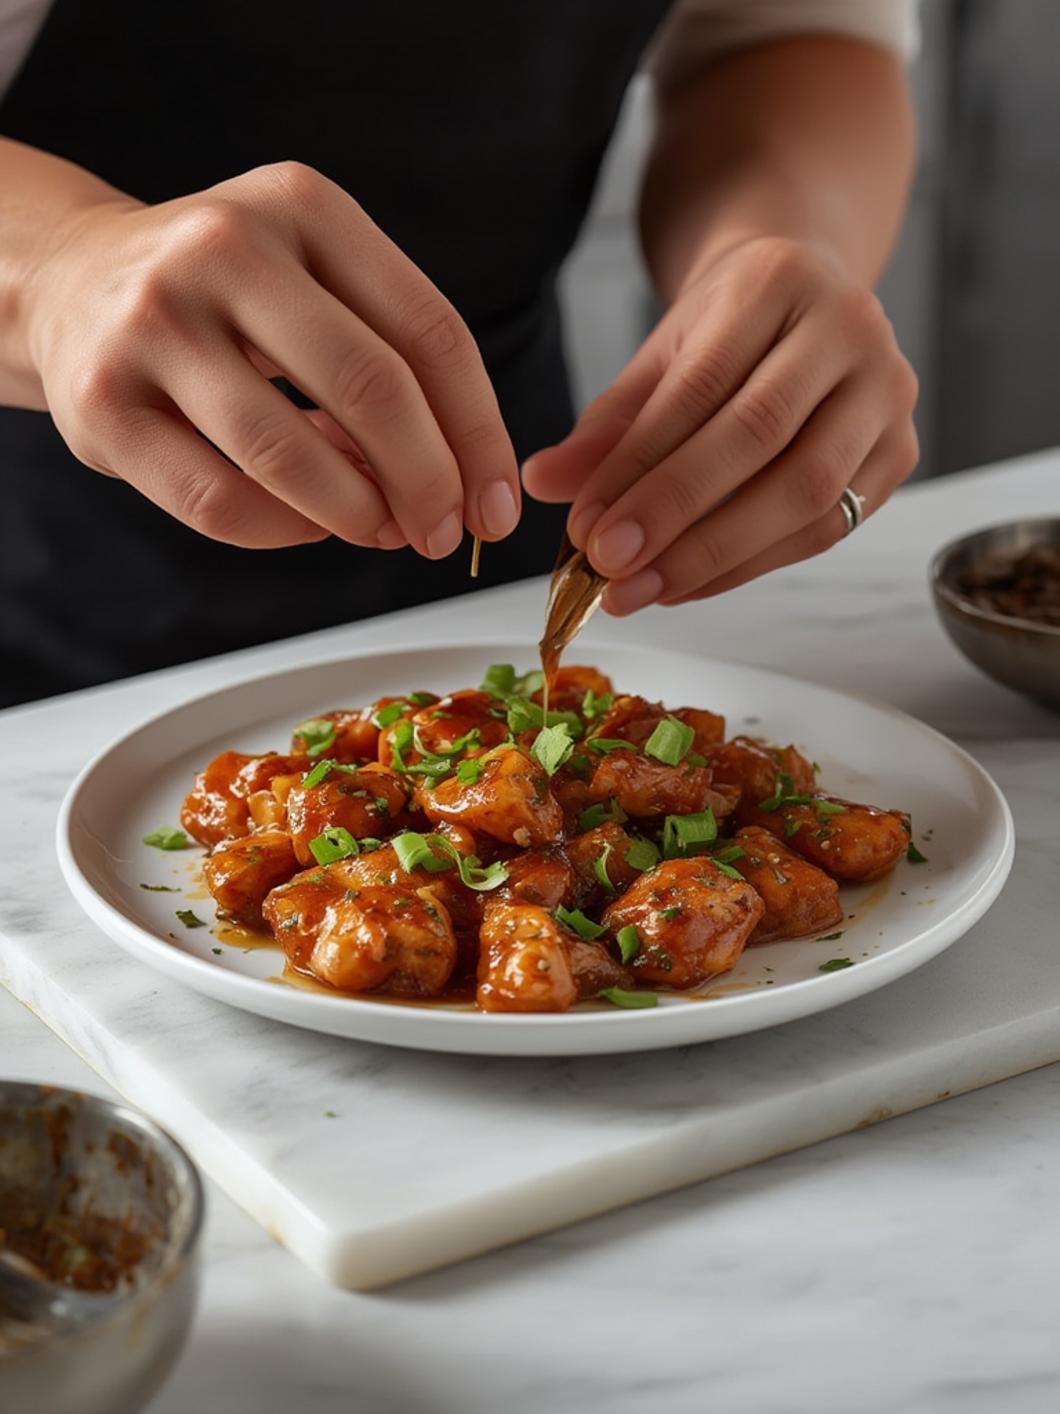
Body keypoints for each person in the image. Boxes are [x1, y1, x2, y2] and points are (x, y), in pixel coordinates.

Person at [0, 1, 920, 709]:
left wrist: (774, 253)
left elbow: (786, 32)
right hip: (42, 578)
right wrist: (57, 267)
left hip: (508, 500)